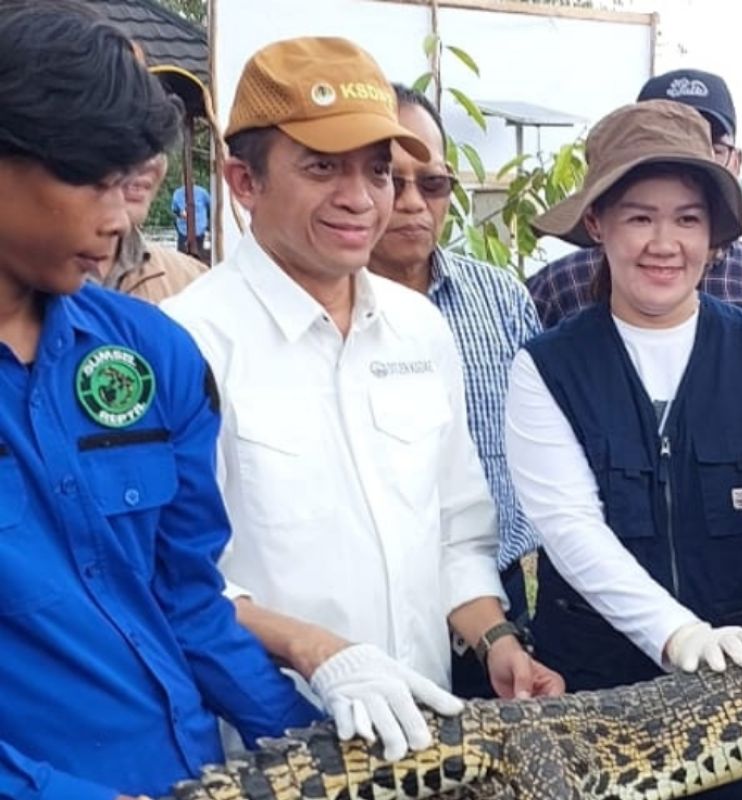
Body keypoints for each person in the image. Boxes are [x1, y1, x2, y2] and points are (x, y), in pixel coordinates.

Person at [164, 36, 563, 763]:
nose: (360, 198)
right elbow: (177, 581)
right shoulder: (187, 344)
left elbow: (456, 531)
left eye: (377, 171)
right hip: (274, 746)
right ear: (242, 182)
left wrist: (495, 638)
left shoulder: (418, 329)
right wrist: (317, 652)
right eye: (322, 168)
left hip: (423, 732)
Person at [0, 4, 321, 798]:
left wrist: (314, 745)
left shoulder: (147, 356)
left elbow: (182, 595)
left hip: (185, 772)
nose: (119, 220)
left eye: (130, 184)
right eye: (89, 180)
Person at [506, 99, 742, 799]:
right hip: (600, 695)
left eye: (687, 219)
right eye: (639, 216)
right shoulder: (545, 366)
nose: (664, 243)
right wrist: (676, 633)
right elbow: (572, 529)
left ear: (714, 235)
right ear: (598, 225)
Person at [366, 85, 544, 699]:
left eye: (433, 184)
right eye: (391, 178)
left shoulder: (502, 299)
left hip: (493, 594)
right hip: (368, 605)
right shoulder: (315, 317)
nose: (412, 203)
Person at [525, 68, 742, 343]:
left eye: (711, 148)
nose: (664, 246)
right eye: (640, 218)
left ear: (735, 163)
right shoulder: (559, 285)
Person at [104, 153, 206, 302]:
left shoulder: (194, 282)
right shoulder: (60, 285)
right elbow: (175, 209)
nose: (149, 158)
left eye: (159, 137)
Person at [171, 180, 211, 256]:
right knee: (182, 256)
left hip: (199, 230)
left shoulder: (202, 193)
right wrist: (181, 214)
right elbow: (175, 210)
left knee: (197, 254)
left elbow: (210, 206)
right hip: (184, 230)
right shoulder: (178, 193)